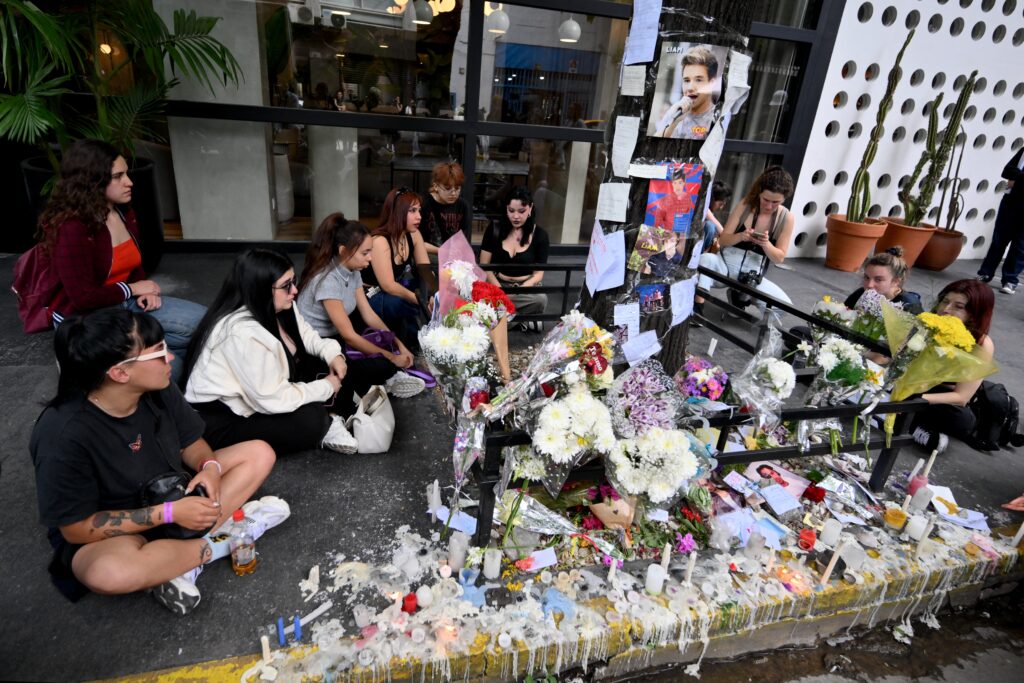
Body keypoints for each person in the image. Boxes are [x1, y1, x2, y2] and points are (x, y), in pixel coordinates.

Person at [30, 307, 286, 615]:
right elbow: (75, 529)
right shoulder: (62, 434)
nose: (171, 358)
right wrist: (169, 513)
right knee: (108, 572)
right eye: (158, 352)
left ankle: (174, 560)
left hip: (173, 490)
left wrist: (209, 468)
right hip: (115, 530)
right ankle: (226, 541)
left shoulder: (157, 389)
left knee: (259, 453)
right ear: (120, 372)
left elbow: (192, 443)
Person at [38, 139, 205, 381]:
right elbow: (82, 297)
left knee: (208, 324)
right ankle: (109, 368)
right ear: (92, 179)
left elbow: (133, 262)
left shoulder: (122, 210)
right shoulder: (72, 227)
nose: (129, 182)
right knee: (171, 368)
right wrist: (132, 288)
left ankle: (143, 356)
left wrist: (143, 290)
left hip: (126, 302)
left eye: (126, 173)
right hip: (88, 319)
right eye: (118, 176)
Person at [183, 249, 359, 456]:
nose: (295, 291)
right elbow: (273, 399)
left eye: (294, 281)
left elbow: (309, 336)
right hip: (226, 418)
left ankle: (329, 411)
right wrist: (326, 387)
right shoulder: (242, 334)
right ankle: (326, 421)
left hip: (264, 392)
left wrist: (333, 355)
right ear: (260, 289)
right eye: (286, 286)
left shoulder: (280, 306)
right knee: (310, 420)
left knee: (337, 363)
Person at [297, 213, 426, 402]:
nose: (370, 258)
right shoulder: (328, 280)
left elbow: (369, 314)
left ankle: (382, 378)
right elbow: (349, 335)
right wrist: (392, 357)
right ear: (343, 251)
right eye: (365, 253)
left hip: (338, 334)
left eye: (370, 251)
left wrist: (399, 344)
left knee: (380, 339)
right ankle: (383, 380)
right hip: (318, 345)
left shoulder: (352, 269)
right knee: (381, 364)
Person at [909, 279, 996, 455]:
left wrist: (912, 397)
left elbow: (961, 396)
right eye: (945, 301)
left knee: (960, 420)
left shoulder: (981, 344)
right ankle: (909, 426)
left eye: (958, 306)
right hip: (914, 383)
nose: (946, 310)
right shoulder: (930, 323)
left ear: (974, 314)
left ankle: (910, 426)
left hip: (940, 397)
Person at [697, 166, 796, 309]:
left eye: (776, 202)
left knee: (784, 307)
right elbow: (723, 240)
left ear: (784, 199)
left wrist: (766, 244)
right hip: (725, 267)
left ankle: (740, 297)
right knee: (705, 260)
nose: (769, 206)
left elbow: (779, 258)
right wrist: (741, 236)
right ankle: (698, 306)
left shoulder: (786, 218)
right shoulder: (745, 205)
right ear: (759, 192)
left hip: (753, 276)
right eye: (765, 199)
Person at [364, 188, 436, 350]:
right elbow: (387, 285)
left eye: (419, 210)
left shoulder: (413, 234)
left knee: (419, 295)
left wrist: (434, 294)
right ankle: (405, 344)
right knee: (404, 302)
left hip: (392, 289)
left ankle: (415, 343)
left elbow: (425, 269)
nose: (419, 216)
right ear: (398, 212)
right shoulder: (380, 241)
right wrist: (419, 300)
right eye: (412, 211)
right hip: (370, 294)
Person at [480, 186, 550, 330]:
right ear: (506, 209)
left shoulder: (540, 235)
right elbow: (484, 266)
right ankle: (522, 321)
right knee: (482, 300)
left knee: (540, 300)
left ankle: (505, 321)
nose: (516, 216)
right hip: (498, 283)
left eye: (521, 211)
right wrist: (501, 291)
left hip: (525, 288)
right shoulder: (494, 229)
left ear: (530, 208)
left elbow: (538, 275)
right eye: (511, 211)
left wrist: (521, 290)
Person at [976, 149, 1024, 295]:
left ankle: (1010, 280)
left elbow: (1014, 177)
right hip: (1011, 201)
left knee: (1020, 245)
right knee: (999, 239)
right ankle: (985, 273)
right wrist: (1016, 178)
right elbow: (1007, 172)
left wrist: (1018, 179)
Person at [655, 45, 719, 140]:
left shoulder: (716, 118)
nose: (690, 88)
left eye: (698, 80)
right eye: (686, 80)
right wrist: (674, 122)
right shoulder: (675, 110)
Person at [843, 247, 923, 313]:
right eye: (867, 277)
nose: (869, 285)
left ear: (896, 281)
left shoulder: (909, 305)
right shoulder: (860, 293)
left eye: (878, 279)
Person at [420, 161, 473, 255]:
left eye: (457, 188)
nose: (453, 193)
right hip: (428, 254)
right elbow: (416, 242)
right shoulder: (423, 204)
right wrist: (442, 251)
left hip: (454, 257)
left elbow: (465, 240)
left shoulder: (463, 206)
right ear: (436, 186)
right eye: (448, 188)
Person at [654, 166, 696, 234]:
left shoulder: (688, 198)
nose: (677, 186)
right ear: (672, 184)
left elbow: (688, 219)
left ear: (684, 183)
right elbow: (657, 224)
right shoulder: (664, 201)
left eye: (680, 182)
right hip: (667, 236)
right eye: (675, 183)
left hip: (681, 235)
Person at [702, 180, 732, 253]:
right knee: (710, 226)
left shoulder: (716, 215)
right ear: (712, 199)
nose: (721, 208)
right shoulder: (704, 209)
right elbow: (722, 232)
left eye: (723, 205)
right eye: (720, 204)